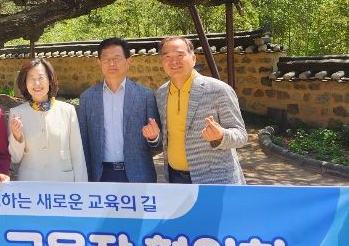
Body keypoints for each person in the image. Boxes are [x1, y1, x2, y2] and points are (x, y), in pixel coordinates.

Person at [155, 36, 247, 184]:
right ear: (162, 62)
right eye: (167, 56)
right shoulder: (161, 94)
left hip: (215, 180)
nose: (174, 61)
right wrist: (153, 137)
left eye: (180, 55)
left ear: (193, 59)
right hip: (175, 178)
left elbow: (241, 135)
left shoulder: (218, 90)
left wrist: (221, 136)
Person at [77, 37, 161, 183]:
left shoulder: (145, 95)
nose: (111, 63)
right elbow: (83, 142)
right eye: (106, 59)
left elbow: (158, 143)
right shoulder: (87, 98)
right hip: (100, 175)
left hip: (138, 175)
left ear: (128, 61)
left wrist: (153, 137)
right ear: (99, 62)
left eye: (116, 58)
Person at [8, 58, 87, 182]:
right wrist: (17, 137)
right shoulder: (17, 113)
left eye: (41, 78)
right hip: (30, 183)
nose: (37, 83)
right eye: (31, 78)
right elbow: (15, 158)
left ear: (50, 80)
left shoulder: (67, 111)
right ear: (25, 82)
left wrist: (81, 187)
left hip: (63, 183)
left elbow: (77, 154)